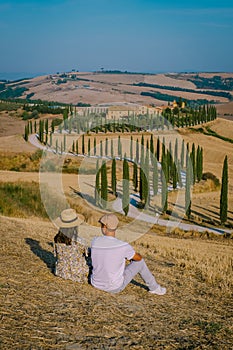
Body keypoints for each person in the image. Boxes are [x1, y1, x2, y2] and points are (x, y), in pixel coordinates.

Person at [90, 213, 166, 295]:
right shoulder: (123, 246)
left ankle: (155, 288)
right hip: (114, 287)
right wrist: (129, 256)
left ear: (104, 227)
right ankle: (154, 288)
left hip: (95, 283)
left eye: (101, 225)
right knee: (140, 262)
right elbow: (138, 258)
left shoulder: (95, 241)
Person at [53, 208, 89, 283]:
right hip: (78, 275)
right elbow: (86, 254)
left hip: (61, 272)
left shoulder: (57, 239)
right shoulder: (80, 241)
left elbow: (55, 254)